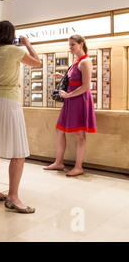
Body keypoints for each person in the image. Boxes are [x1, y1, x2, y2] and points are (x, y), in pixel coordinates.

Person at [0, 20, 40, 214]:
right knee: (19, 152)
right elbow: (37, 62)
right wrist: (27, 44)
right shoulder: (14, 51)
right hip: (9, 101)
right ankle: (13, 197)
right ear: (10, 35)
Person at [44, 35, 97, 177]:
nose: (70, 47)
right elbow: (75, 79)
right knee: (59, 129)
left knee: (80, 133)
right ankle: (59, 162)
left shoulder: (85, 61)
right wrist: (62, 76)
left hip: (79, 100)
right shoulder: (76, 62)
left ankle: (78, 167)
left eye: (73, 44)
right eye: (69, 45)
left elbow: (86, 86)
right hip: (71, 99)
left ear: (81, 44)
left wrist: (68, 95)